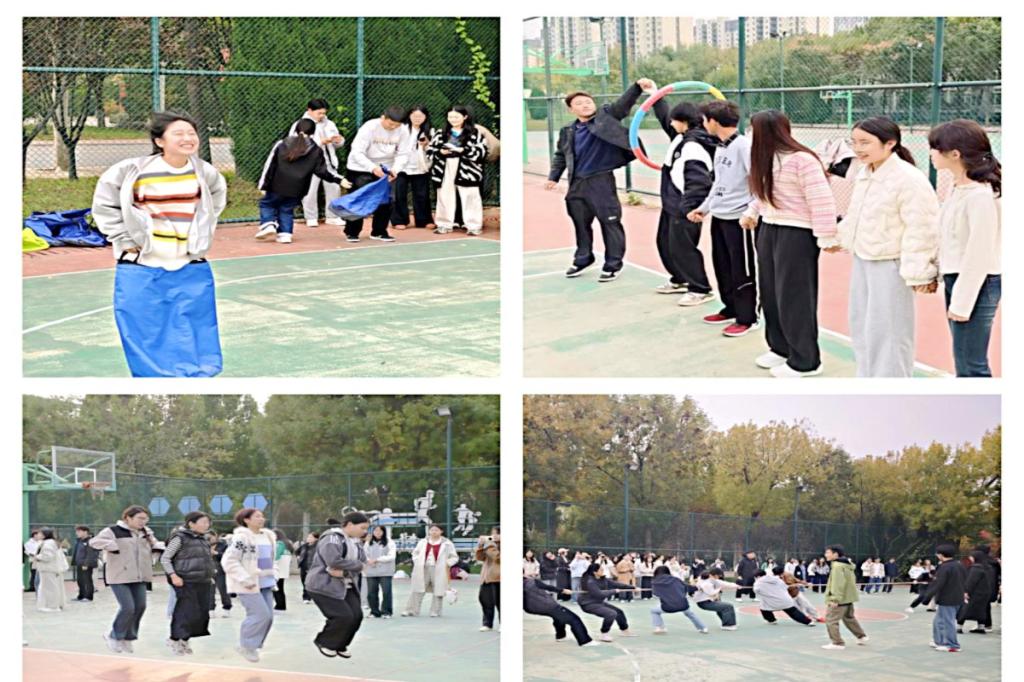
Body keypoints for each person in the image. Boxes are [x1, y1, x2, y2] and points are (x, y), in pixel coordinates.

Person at [91, 111, 228, 377]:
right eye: (178, 134)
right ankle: (153, 378)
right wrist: (125, 240)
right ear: (159, 141)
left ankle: (196, 374)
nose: (187, 138)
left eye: (191, 133)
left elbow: (215, 201)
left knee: (194, 323)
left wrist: (201, 232)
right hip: (142, 261)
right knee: (142, 325)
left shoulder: (205, 172)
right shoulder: (131, 171)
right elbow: (105, 204)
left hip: (188, 261)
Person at [835, 117, 940, 377]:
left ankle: (892, 383)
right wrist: (839, 238)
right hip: (864, 258)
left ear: (890, 143)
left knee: (890, 332)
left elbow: (922, 227)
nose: (857, 149)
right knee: (862, 325)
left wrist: (920, 272)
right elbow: (856, 214)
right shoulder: (866, 172)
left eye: (865, 142)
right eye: (854, 142)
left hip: (891, 264)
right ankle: (867, 378)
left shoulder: (908, 179)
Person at [740, 110, 837, 376]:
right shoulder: (765, 158)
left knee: (794, 297)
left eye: (752, 129)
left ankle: (806, 361)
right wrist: (751, 212)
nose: (749, 134)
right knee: (770, 292)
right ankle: (780, 348)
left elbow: (821, 198)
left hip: (797, 233)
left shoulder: (802, 160)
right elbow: (763, 194)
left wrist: (825, 236)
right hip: (769, 229)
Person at [545, 81, 650, 281]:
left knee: (610, 223)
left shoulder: (605, 118)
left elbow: (622, 105)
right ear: (571, 109)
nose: (585, 105)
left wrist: (637, 87)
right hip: (577, 184)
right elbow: (561, 154)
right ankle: (583, 258)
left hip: (601, 182)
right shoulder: (568, 130)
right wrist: (553, 177)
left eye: (588, 101)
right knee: (580, 224)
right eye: (579, 103)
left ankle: (612, 264)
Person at [927, 119, 1002, 377]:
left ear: (955, 154)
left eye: (935, 148)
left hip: (977, 283)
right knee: (964, 360)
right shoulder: (959, 187)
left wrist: (962, 302)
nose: (931, 153)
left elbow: (979, 254)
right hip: (960, 280)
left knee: (972, 365)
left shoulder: (980, 196)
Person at [687, 100, 758, 338]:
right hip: (719, 217)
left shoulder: (744, 146)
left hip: (739, 220)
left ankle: (748, 318)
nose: (703, 124)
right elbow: (718, 184)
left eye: (705, 120)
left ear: (714, 121)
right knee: (723, 266)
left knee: (741, 269)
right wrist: (704, 209)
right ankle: (730, 308)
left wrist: (751, 212)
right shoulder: (720, 147)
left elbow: (758, 182)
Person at [644, 79, 717, 307]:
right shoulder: (681, 137)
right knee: (665, 242)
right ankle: (680, 278)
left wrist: (691, 208)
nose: (670, 123)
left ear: (683, 122)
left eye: (674, 120)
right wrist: (655, 94)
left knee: (684, 247)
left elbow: (698, 182)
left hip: (685, 205)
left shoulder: (694, 145)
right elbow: (664, 116)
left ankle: (700, 288)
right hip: (671, 202)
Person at [255, 118, 348, 245]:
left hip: (277, 184)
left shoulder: (282, 144)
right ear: (313, 133)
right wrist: (339, 179)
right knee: (286, 209)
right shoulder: (316, 150)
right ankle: (285, 235)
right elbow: (322, 172)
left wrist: (263, 184)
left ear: (296, 129)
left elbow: (270, 165)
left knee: (266, 204)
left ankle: (268, 224)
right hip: (298, 188)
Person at [90, 505, 161, 653]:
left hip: (140, 575)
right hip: (119, 575)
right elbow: (94, 542)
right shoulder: (113, 530)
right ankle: (114, 636)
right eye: (140, 518)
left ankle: (128, 638)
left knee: (140, 606)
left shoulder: (146, 532)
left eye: (145, 519)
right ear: (128, 518)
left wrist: (157, 549)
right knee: (128, 607)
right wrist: (112, 546)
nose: (143, 522)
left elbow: (154, 545)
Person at [305, 512, 369, 658]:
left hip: (347, 584)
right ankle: (324, 642)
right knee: (343, 616)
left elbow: (363, 562)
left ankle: (340, 644)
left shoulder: (356, 542)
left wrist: (347, 571)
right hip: (323, 585)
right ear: (350, 524)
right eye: (362, 528)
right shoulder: (332, 538)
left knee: (356, 616)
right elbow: (333, 561)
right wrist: (357, 566)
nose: (365, 532)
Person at [343, 106, 410, 243]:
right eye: (390, 124)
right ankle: (352, 232)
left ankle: (379, 231)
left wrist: (395, 169)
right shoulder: (369, 127)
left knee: (387, 200)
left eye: (396, 125)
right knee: (360, 199)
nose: (393, 127)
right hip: (360, 167)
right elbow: (357, 152)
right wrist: (372, 168)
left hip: (386, 168)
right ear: (383, 117)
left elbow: (403, 153)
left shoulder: (403, 130)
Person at [221, 507, 279, 662]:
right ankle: (246, 646)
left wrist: (274, 572)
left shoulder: (268, 536)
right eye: (257, 516)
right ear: (246, 520)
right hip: (248, 584)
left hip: (266, 582)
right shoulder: (242, 538)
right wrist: (245, 579)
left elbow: (271, 559)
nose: (262, 519)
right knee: (260, 615)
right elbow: (229, 560)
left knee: (268, 618)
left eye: (262, 516)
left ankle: (253, 646)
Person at [161, 511, 217, 655]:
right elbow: (165, 558)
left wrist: (209, 574)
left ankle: (184, 639)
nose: (207, 525)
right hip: (185, 581)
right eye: (203, 522)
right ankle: (175, 639)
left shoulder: (203, 539)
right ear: (191, 523)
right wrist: (173, 575)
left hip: (203, 581)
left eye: (208, 522)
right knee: (186, 611)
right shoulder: (179, 538)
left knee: (200, 613)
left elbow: (205, 559)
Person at [426, 105, 488, 235]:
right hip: (444, 167)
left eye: (456, 117)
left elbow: (482, 151)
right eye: (450, 117)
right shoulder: (441, 133)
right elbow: (430, 150)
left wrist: (464, 150)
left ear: (465, 117)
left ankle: (474, 226)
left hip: (468, 168)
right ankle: (444, 224)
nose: (453, 119)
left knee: (470, 196)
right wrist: (440, 152)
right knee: (444, 195)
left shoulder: (474, 133)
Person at [288, 98, 345, 228]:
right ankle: (311, 217)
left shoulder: (330, 124)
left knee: (334, 188)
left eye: (324, 113)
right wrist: (321, 142)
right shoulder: (300, 124)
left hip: (327, 162)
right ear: (309, 110)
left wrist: (339, 141)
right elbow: (296, 144)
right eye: (319, 113)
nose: (322, 116)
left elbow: (337, 144)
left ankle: (333, 217)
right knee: (310, 190)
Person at [908, 544, 966, 652]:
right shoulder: (959, 565)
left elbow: (938, 583)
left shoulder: (944, 567)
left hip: (948, 599)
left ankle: (953, 645)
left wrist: (927, 597)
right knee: (938, 621)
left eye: (937, 554)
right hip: (956, 598)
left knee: (947, 622)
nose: (937, 555)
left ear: (941, 555)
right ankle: (938, 641)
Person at [392, 105, 435, 229]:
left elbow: (433, 150)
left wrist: (426, 144)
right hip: (401, 167)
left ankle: (424, 220)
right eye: (414, 115)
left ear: (425, 117)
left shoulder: (430, 131)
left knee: (422, 195)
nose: (417, 118)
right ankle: (399, 220)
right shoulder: (400, 129)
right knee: (399, 194)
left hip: (420, 166)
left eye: (420, 116)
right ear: (409, 116)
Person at [403, 524, 457, 617]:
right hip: (423, 568)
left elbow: (454, 557)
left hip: (439, 569)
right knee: (417, 588)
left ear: (441, 531)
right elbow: (415, 553)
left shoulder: (447, 543)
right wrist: (418, 561)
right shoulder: (423, 542)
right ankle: (411, 610)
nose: (434, 532)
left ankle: (435, 611)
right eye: (432, 530)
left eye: (436, 530)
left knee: (438, 590)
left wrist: (447, 563)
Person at [523, 577, 596, 647]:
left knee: (558, 616)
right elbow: (548, 587)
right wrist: (563, 590)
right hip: (546, 606)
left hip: (530, 608)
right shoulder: (531, 582)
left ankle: (561, 636)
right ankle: (585, 641)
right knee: (574, 619)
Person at [821, 544, 869, 650]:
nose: (825, 555)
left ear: (835, 554)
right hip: (848, 598)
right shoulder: (847, 565)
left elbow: (837, 584)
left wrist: (834, 599)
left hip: (840, 599)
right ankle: (861, 636)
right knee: (849, 618)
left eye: (828, 552)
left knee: (831, 620)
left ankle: (837, 643)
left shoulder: (837, 566)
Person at [578, 563, 636, 642]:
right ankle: (604, 634)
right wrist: (614, 591)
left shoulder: (602, 579)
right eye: (601, 570)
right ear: (595, 572)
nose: (603, 571)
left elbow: (616, 584)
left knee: (619, 612)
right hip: (588, 604)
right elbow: (599, 594)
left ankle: (625, 631)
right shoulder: (590, 582)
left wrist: (633, 587)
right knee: (611, 613)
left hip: (598, 602)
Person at [650, 565, 708, 634]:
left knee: (654, 611)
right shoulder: (675, 579)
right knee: (690, 613)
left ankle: (659, 628)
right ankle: (703, 628)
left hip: (668, 606)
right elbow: (687, 587)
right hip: (683, 604)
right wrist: (697, 588)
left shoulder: (655, 582)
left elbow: (655, 594)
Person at [32, 528, 68, 612]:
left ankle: (52, 606)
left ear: (44, 535)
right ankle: (57, 604)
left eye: (40, 533)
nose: (38, 535)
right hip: (51, 569)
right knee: (53, 587)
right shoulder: (51, 543)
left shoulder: (48, 544)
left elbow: (47, 556)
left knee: (49, 589)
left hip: (49, 569)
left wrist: (37, 557)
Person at [364, 525, 396, 619]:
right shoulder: (368, 542)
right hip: (371, 570)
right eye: (375, 531)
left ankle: (386, 612)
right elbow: (364, 554)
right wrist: (369, 560)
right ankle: (374, 612)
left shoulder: (389, 542)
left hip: (385, 571)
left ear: (384, 532)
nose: (378, 532)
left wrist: (377, 559)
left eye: (380, 531)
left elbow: (391, 556)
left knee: (386, 592)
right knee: (371, 593)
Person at [958, 550, 993, 634]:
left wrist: (966, 591)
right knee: (981, 610)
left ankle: (959, 627)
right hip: (985, 593)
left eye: (971, 556)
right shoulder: (988, 568)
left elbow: (971, 581)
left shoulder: (976, 568)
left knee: (964, 609)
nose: (970, 558)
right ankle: (981, 627)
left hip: (974, 593)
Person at [475, 527, 500, 631]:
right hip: (487, 577)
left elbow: (497, 557)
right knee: (485, 600)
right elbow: (480, 558)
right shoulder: (490, 545)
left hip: (498, 577)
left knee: (501, 601)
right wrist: (481, 546)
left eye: (496, 534)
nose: (493, 536)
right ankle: (487, 623)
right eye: (492, 534)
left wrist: (489, 546)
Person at [71, 525, 100, 602]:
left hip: (86, 564)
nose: (77, 533)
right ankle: (81, 596)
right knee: (80, 580)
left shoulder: (91, 541)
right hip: (79, 563)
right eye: (76, 531)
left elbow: (91, 554)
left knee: (87, 580)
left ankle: (88, 596)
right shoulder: (79, 541)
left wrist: (86, 564)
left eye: (79, 531)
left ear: (85, 532)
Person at [207, 531, 232, 618]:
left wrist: (216, 553)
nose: (210, 539)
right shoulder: (204, 545)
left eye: (211, 537)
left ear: (215, 536)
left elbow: (228, 557)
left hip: (221, 570)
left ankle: (226, 608)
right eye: (208, 537)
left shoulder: (223, 545)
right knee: (210, 591)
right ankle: (211, 609)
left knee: (223, 590)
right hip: (208, 570)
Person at [271, 528, 293, 611]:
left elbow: (276, 555)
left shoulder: (279, 544)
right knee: (280, 587)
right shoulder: (287, 544)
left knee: (276, 588)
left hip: (278, 568)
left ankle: (280, 605)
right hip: (283, 569)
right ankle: (281, 604)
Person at [297, 532, 320, 605]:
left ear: (316, 538)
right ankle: (307, 597)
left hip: (312, 567)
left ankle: (308, 597)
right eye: (308, 537)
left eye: (310, 537)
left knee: (311, 583)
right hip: (303, 566)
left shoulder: (318, 546)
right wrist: (299, 557)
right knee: (304, 582)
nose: (308, 538)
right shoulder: (304, 546)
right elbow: (297, 551)